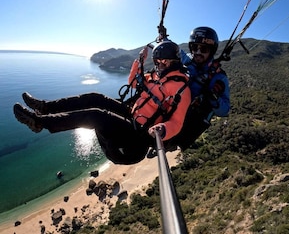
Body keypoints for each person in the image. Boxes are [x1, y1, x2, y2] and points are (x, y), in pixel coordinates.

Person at [13, 40, 191, 165]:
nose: (159, 65)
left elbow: (177, 122)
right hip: (131, 115)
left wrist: (163, 130)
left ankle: (39, 122)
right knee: (96, 97)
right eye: (157, 61)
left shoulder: (180, 88)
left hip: (140, 135)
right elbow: (133, 82)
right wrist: (139, 61)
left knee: (95, 115)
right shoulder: (155, 76)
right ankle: (45, 107)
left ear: (174, 62)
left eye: (163, 61)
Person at [160, 26, 230, 152]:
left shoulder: (219, 77)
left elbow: (224, 110)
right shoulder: (188, 61)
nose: (197, 52)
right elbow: (176, 51)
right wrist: (164, 38)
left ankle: (171, 142)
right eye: (194, 47)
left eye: (203, 49)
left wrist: (213, 98)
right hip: (171, 110)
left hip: (189, 122)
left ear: (211, 51)